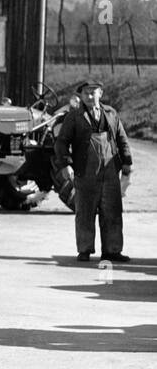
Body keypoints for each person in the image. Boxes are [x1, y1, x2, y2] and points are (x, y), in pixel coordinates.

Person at [53, 81, 133, 263]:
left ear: (100, 93)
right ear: (81, 96)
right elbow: (62, 142)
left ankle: (112, 251)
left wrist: (127, 162)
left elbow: (122, 139)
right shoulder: (73, 117)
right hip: (84, 170)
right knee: (85, 212)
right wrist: (65, 164)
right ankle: (84, 250)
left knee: (112, 211)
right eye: (86, 93)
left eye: (93, 92)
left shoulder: (111, 114)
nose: (89, 96)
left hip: (111, 170)